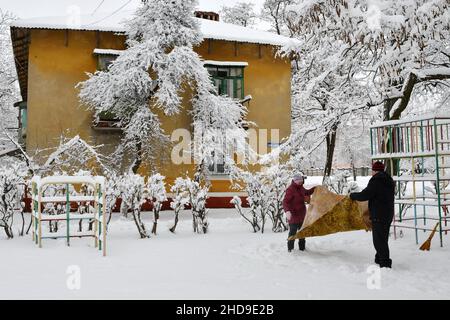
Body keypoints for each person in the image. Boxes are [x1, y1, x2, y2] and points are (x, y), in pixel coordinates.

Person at [350, 161, 395, 268]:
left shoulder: (376, 181)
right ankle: (379, 258)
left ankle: (385, 263)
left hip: (379, 214)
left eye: (372, 170)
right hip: (388, 213)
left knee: (378, 240)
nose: (372, 173)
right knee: (382, 238)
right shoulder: (389, 180)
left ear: (375, 171)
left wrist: (353, 196)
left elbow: (365, 194)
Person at [283, 173, 316, 252]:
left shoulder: (301, 188)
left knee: (302, 233)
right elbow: (285, 202)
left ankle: (302, 249)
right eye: (299, 181)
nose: (301, 182)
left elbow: (307, 192)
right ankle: (290, 249)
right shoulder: (290, 189)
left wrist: (314, 189)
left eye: (302, 181)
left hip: (302, 214)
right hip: (293, 215)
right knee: (293, 233)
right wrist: (287, 211)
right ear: (295, 181)